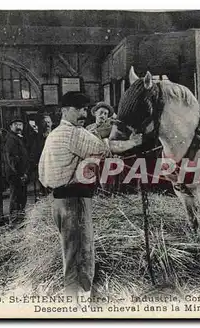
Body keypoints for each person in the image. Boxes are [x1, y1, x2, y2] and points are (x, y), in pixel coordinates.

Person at [38, 92, 143, 302]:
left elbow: (41, 171)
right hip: (75, 201)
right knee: (82, 252)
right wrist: (133, 142)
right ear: (65, 110)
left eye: (85, 109)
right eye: (79, 109)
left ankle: (74, 298)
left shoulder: (54, 135)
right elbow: (105, 150)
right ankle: (80, 302)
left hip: (57, 201)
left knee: (69, 251)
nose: (84, 113)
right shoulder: (75, 133)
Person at [3, 117, 30, 224]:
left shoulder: (18, 138)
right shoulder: (11, 139)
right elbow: (12, 159)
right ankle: (14, 221)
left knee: (21, 197)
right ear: (11, 127)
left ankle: (19, 219)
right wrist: (20, 174)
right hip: (15, 174)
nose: (19, 127)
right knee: (16, 197)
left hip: (21, 174)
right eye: (16, 125)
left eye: (20, 124)